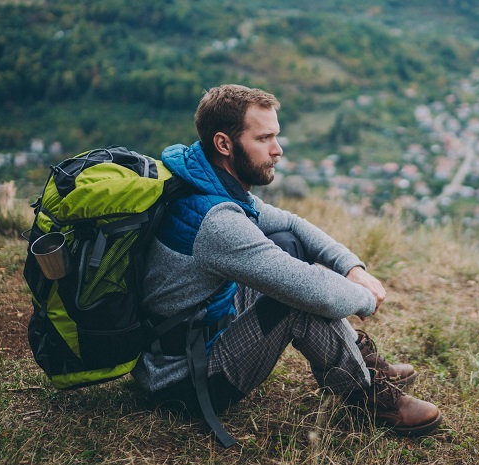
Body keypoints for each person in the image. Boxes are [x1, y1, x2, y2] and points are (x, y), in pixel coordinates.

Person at [132, 84, 443, 445]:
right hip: (182, 380)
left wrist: (351, 268)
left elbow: (291, 224)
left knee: (287, 243)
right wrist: (364, 298)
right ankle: (371, 396)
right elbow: (318, 296)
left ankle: (361, 360)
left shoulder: (201, 179)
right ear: (224, 144)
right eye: (264, 138)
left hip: (195, 332)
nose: (277, 150)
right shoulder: (217, 221)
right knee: (295, 300)